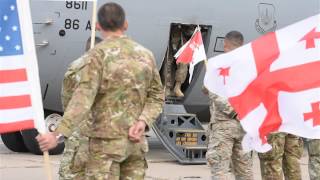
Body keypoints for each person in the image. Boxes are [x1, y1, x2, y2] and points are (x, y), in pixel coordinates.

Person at [36, 2, 164, 180]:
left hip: (105, 149)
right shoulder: (146, 55)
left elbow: (82, 101)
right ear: (125, 25)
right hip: (135, 145)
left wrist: (57, 134)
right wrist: (142, 121)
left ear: (98, 26)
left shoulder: (96, 56)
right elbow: (157, 96)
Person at [205, 31, 253, 180]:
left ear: (225, 45)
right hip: (244, 125)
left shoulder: (218, 64)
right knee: (244, 170)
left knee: (220, 171)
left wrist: (234, 112)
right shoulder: (250, 66)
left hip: (223, 126)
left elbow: (213, 92)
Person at [58, 36, 102, 180]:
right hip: (96, 131)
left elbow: (66, 98)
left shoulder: (74, 67)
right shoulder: (102, 69)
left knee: (70, 170)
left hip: (76, 128)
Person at [164, 25, 194, 97]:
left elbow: (190, 32)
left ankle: (177, 87)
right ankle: (167, 87)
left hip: (182, 37)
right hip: (171, 34)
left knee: (184, 61)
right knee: (168, 62)